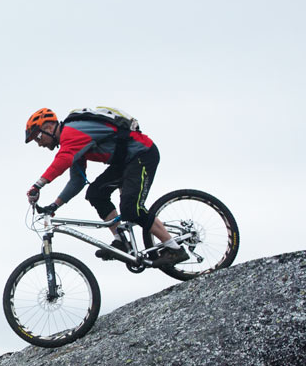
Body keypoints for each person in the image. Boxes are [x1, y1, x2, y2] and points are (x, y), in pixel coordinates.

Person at [23, 107, 188, 266]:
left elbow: (63, 160)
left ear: (49, 127)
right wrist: (54, 206)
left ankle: (174, 248)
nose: (39, 144)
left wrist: (38, 184)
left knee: (131, 209)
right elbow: (77, 181)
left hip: (141, 154)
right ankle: (122, 241)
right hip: (124, 162)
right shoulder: (73, 143)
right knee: (95, 193)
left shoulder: (71, 132)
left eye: (38, 137)